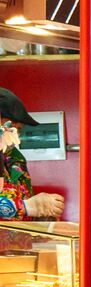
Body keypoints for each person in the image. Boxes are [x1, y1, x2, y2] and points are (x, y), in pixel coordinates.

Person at [0, 89, 63, 221]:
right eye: (10, 126)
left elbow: (28, 203)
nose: (15, 135)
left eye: (18, 129)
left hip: (16, 241)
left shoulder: (15, 158)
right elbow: (28, 206)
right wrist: (26, 207)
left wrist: (41, 218)